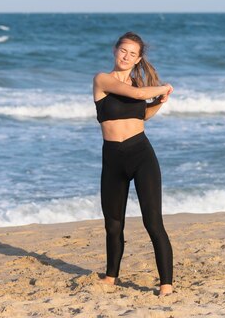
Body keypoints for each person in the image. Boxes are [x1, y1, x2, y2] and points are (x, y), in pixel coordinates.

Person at [92, 32, 174, 297]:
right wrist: (164, 88)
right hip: (113, 158)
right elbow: (137, 95)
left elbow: (141, 114)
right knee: (113, 223)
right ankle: (110, 277)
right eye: (123, 50)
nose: (126, 57)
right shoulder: (102, 79)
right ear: (115, 50)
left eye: (132, 54)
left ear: (138, 59)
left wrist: (158, 104)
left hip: (141, 155)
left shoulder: (139, 83)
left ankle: (166, 285)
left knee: (153, 223)